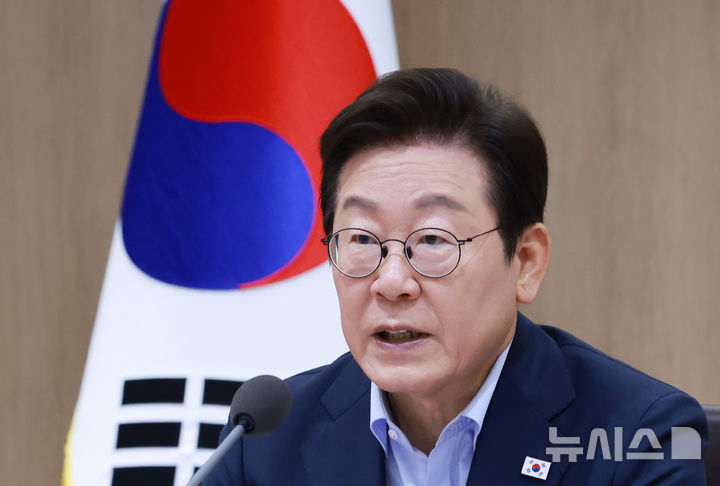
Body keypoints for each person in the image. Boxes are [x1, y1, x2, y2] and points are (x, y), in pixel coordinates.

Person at [204, 68, 708, 485]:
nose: (391, 282)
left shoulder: (641, 437)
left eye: (433, 240)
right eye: (361, 239)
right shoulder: (265, 442)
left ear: (526, 261)